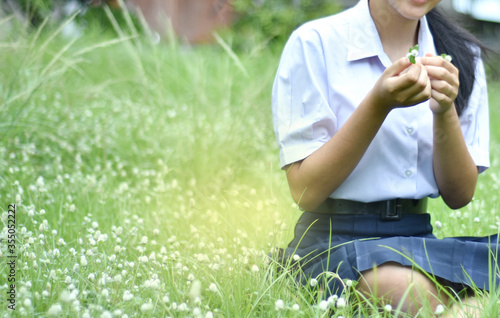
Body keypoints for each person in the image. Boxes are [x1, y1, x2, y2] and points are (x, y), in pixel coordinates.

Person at [271, 0, 497, 316]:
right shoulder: (315, 43)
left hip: (418, 239)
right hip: (334, 240)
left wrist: (445, 111)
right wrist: (378, 104)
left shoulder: (460, 57)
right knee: (408, 291)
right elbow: (305, 191)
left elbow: (460, 194)